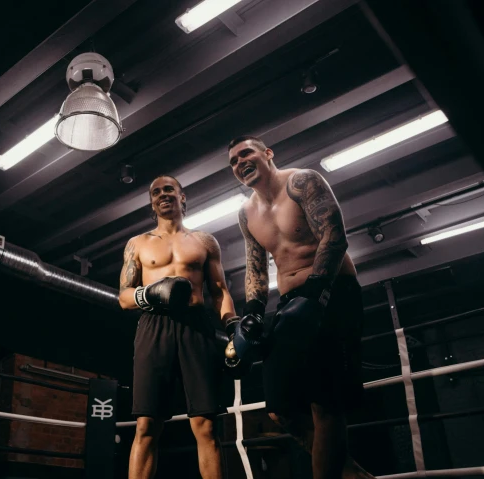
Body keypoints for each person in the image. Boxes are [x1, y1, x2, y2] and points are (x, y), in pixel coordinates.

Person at [226, 135, 374, 479]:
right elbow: (256, 266)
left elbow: (334, 235)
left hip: (333, 292)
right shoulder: (246, 212)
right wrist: (252, 312)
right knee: (280, 408)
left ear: (267, 153)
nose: (239, 163)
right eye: (232, 161)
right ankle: (354, 477)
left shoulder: (302, 182)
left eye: (245, 153)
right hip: (291, 303)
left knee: (326, 406)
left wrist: (317, 293)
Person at [119, 175, 237, 479]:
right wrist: (151, 293)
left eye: (169, 189)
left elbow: (219, 291)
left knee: (206, 424)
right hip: (153, 326)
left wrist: (234, 328)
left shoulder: (204, 241)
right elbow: (123, 297)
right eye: (155, 191)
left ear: (182, 197)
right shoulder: (138, 244)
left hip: (196, 327)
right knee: (147, 424)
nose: (162, 195)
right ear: (151, 203)